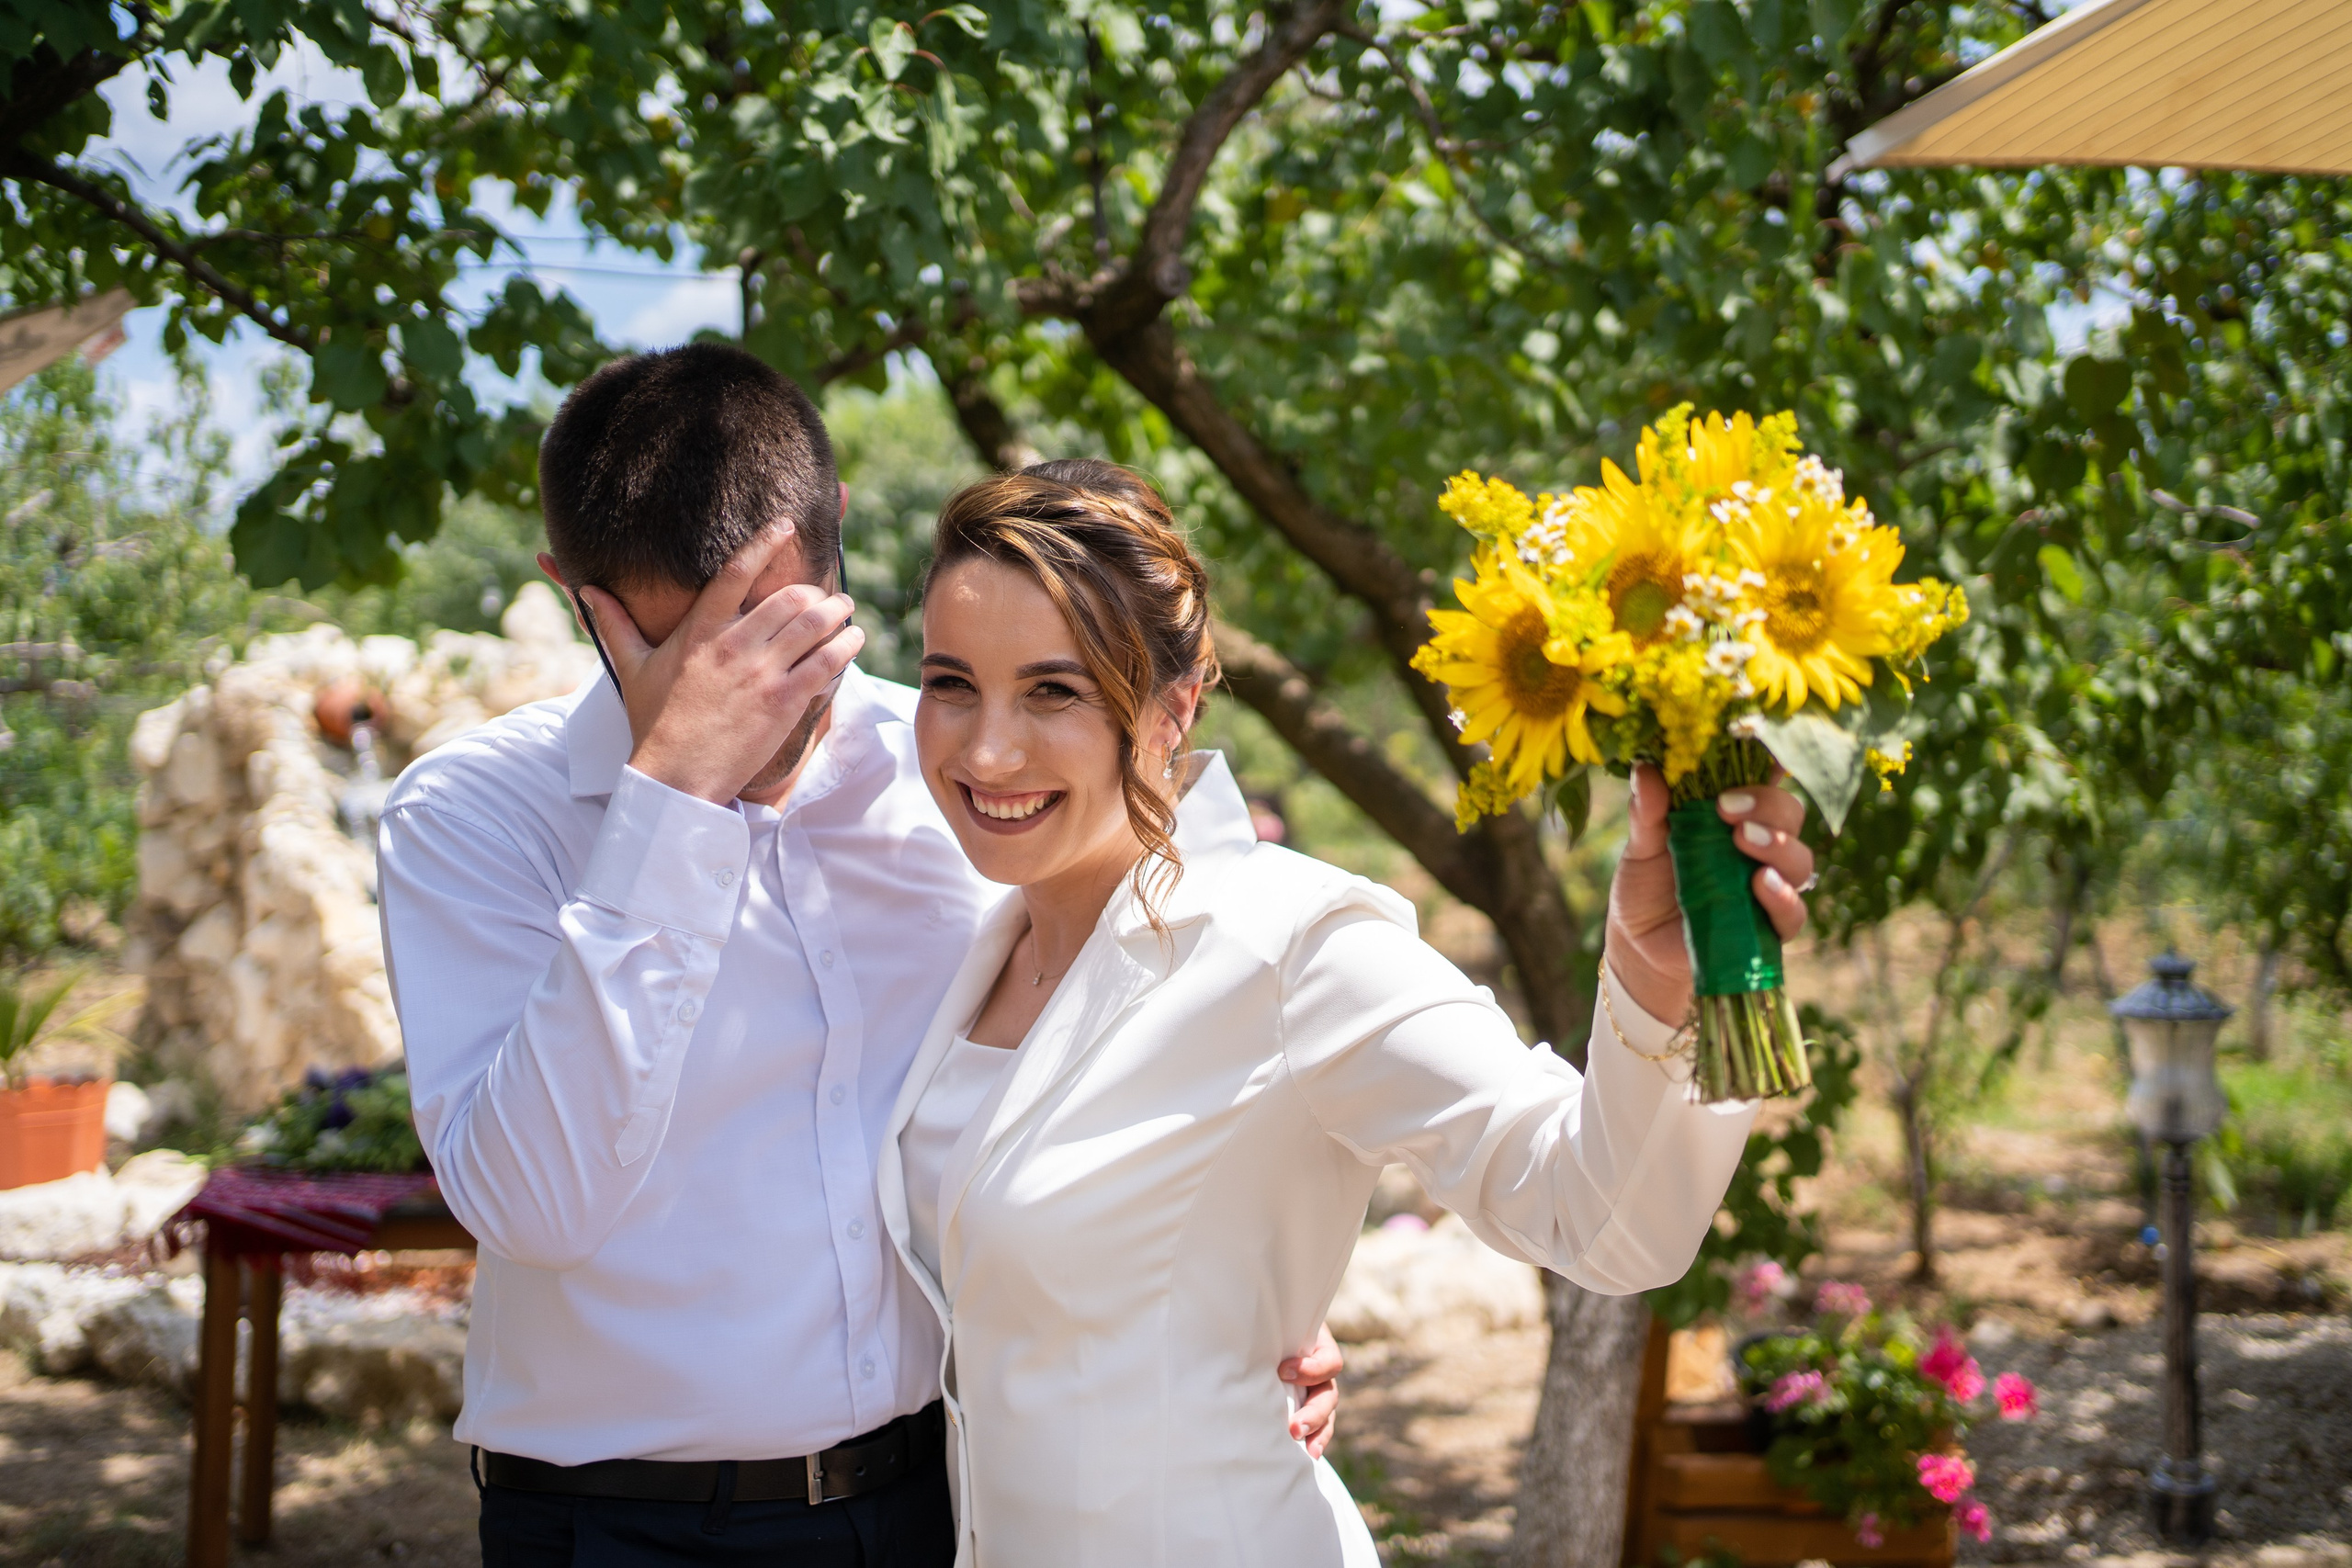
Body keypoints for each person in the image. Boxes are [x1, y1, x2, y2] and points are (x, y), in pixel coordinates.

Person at [376, 344, 1339, 1568]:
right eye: (681, 658)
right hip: (615, 1524)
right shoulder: (468, 818)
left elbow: (1170, 1028)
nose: (748, 701)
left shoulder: (973, 774)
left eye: (780, 637)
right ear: (578, 596)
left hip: (945, 1493)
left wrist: (1264, 1294)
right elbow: (536, 1207)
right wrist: (671, 795)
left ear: (833, 528)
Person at [880, 462, 1817, 1566]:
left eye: (1054, 692)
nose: (986, 750)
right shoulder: (965, 952)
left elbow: (1600, 1219)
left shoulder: (1296, 947)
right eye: (951, 683)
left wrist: (1660, 985)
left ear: (1174, 707)